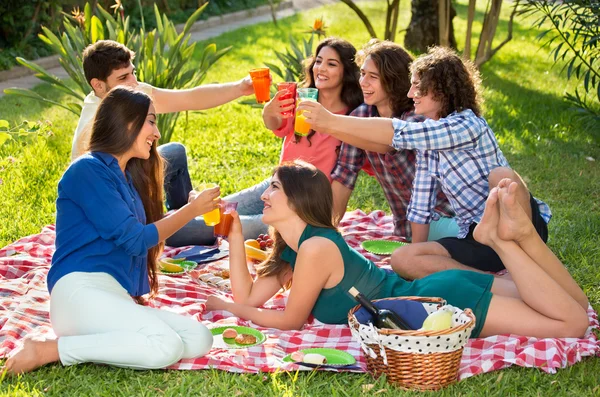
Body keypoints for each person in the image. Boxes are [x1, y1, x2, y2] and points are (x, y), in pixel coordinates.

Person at [204, 161, 588, 340]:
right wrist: (235, 235)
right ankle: (521, 237)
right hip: (439, 290)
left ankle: (502, 241)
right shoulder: (295, 246)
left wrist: (227, 309)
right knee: (575, 303)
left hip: (437, 307)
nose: (265, 195)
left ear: (298, 200)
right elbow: (250, 296)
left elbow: (289, 320)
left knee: (574, 324)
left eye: (273, 187)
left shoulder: (317, 247)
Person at [4, 87, 217, 375]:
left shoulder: (126, 178)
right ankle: (50, 349)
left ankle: (111, 339)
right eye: (151, 122)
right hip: (79, 290)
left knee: (199, 339)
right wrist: (189, 212)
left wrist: (187, 209)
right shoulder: (87, 171)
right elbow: (135, 239)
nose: (157, 134)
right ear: (128, 123)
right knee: (166, 346)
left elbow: (139, 231)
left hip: (112, 294)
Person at [297, 46, 551, 279]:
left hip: (516, 225)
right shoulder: (429, 138)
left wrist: (329, 122)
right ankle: (490, 279)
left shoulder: (467, 125)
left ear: (441, 91)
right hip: (476, 236)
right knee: (403, 258)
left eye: (418, 87)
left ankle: (525, 251)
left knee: (502, 176)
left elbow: (400, 134)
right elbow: (420, 202)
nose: (411, 94)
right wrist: (416, 253)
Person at [72, 40, 255, 246]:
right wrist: (181, 216)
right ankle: (186, 224)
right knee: (244, 224)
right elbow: (124, 220)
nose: (133, 82)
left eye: (133, 73)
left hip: (138, 190)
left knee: (174, 153)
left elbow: (188, 98)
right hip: (131, 219)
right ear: (98, 85)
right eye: (123, 77)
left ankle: (188, 212)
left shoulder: (128, 94)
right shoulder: (95, 131)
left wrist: (240, 88)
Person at [212, 37, 363, 239]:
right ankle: (176, 218)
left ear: (346, 72)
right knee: (214, 209)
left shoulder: (350, 118)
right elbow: (274, 124)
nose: (321, 68)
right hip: (276, 187)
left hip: (303, 206)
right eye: (318, 61)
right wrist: (269, 111)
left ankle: (169, 225)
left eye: (331, 64)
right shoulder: (299, 100)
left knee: (222, 224)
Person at [331, 40, 456, 241]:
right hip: (405, 230)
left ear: (394, 81)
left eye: (373, 77)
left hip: (447, 218)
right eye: (363, 74)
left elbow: (389, 142)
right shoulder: (361, 116)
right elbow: (344, 174)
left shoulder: (417, 117)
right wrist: (326, 231)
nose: (363, 82)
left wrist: (328, 122)